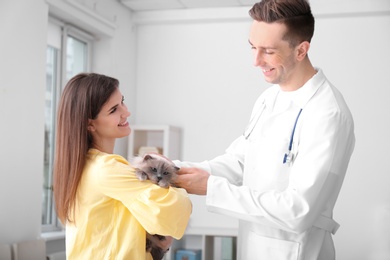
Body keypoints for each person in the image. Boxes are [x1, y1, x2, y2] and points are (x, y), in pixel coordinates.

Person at [175, 0, 355, 259]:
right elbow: (241, 162)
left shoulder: (328, 113)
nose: (256, 61)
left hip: (297, 251)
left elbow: (299, 211)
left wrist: (211, 188)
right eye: (252, 47)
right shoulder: (268, 99)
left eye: (268, 51)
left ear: (301, 50)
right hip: (254, 247)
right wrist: (175, 170)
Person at [53, 73, 192, 259]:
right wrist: (175, 178)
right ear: (90, 124)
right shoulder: (107, 169)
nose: (126, 112)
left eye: (123, 102)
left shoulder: (83, 166)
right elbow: (177, 209)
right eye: (113, 110)